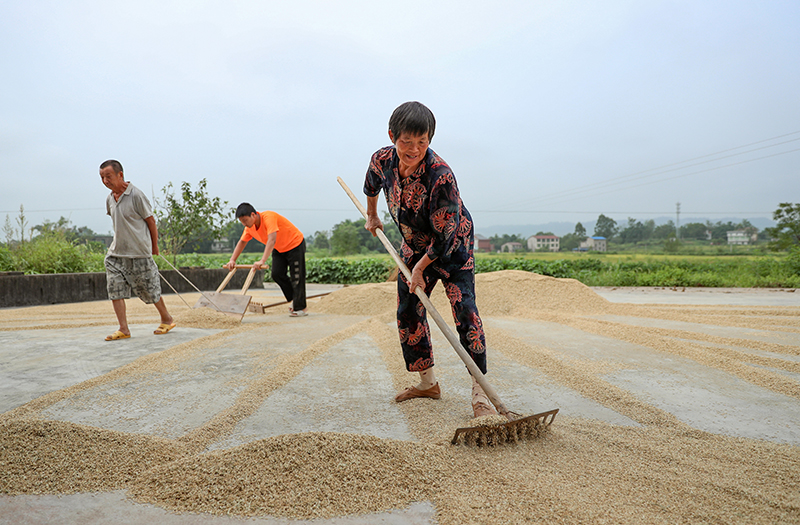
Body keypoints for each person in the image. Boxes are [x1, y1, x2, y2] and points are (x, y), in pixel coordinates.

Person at [363, 101, 496, 418]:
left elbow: (445, 239)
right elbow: (370, 185)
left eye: (422, 142)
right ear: (393, 135)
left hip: (452, 246)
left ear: (430, 140)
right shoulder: (382, 159)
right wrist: (372, 216)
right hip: (414, 242)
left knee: (465, 310)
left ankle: (481, 396)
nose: (414, 149)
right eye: (407, 141)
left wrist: (420, 269)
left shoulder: (441, 177)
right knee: (408, 307)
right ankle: (428, 383)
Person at [99, 159, 176, 341]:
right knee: (115, 289)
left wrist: (154, 246)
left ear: (120, 175)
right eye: (102, 177)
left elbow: (150, 221)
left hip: (139, 252)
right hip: (116, 254)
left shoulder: (136, 195)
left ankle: (167, 318)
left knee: (149, 288)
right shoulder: (110, 198)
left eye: (108, 176)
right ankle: (123, 328)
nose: (105, 181)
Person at [224, 203, 308, 317]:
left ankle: (300, 307)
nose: (244, 224)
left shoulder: (268, 217)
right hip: (279, 248)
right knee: (277, 274)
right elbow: (242, 242)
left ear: (253, 215)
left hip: (295, 244)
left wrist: (262, 260)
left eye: (245, 220)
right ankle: (296, 299)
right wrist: (232, 260)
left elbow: (272, 239)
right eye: (241, 221)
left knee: (297, 277)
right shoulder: (249, 228)